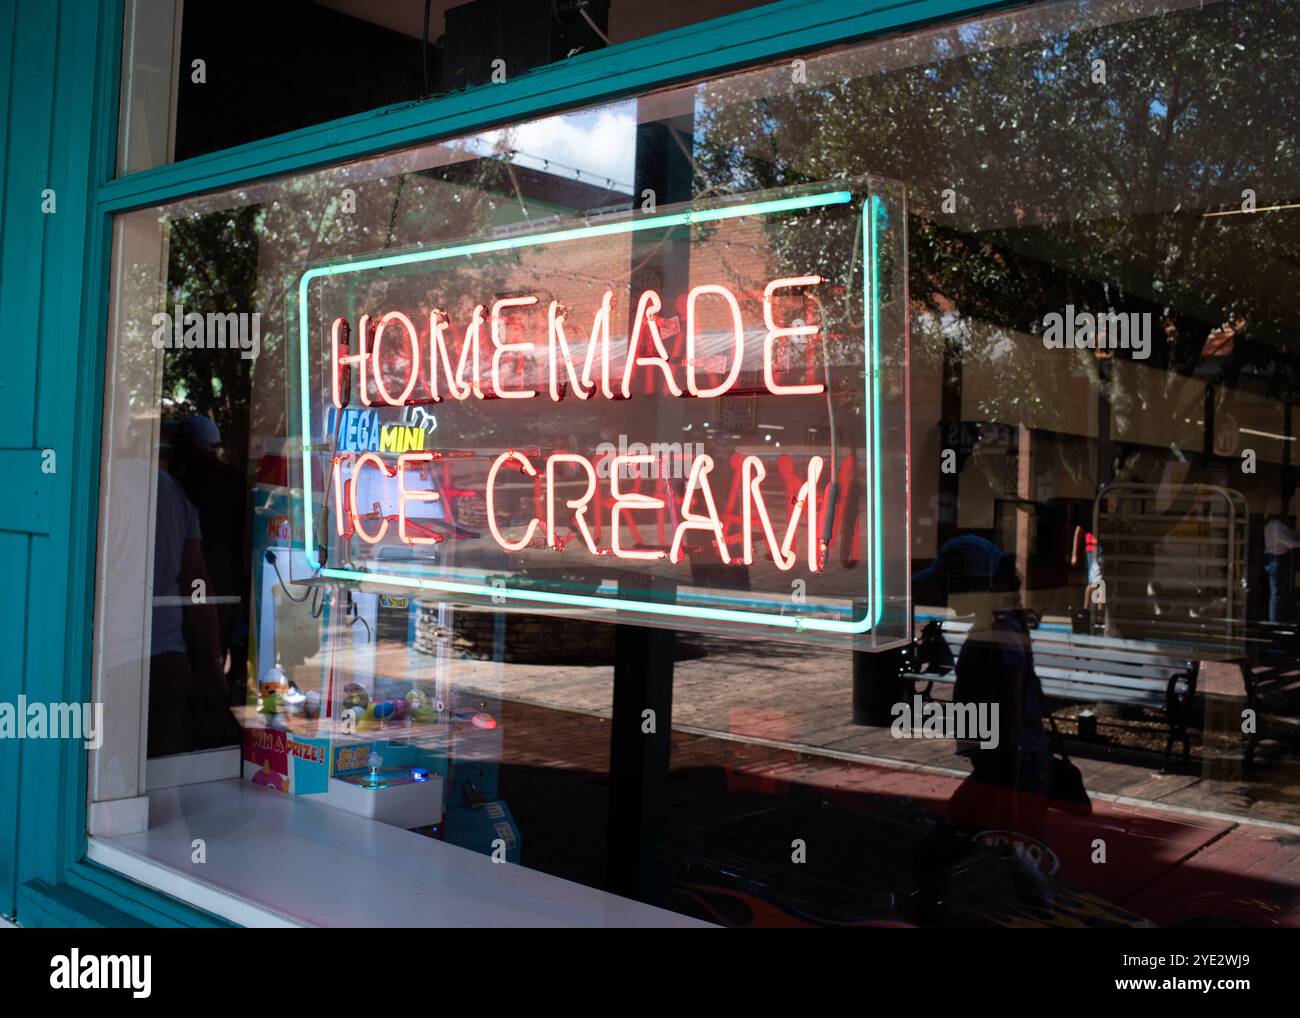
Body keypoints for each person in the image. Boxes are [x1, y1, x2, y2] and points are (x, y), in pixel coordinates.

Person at [1263, 515, 1300, 623]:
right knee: (1276, 594)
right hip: (1275, 558)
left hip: (1276, 558)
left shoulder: (1276, 525)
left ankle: (1277, 620)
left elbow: (1292, 535)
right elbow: (1288, 542)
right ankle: (1274, 622)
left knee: (1278, 593)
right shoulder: (1276, 525)